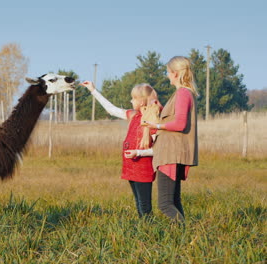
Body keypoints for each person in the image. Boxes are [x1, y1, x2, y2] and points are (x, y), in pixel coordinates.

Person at [81, 81, 161, 218]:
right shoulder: (134, 116)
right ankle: (144, 230)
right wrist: (93, 90)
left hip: (144, 169)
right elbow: (111, 109)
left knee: (145, 205)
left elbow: (158, 150)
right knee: (138, 202)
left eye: (134, 98)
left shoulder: (153, 121)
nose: (131, 100)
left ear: (141, 102)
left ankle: (150, 230)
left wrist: (138, 153)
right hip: (131, 167)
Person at [145, 56, 199, 222]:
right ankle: (183, 238)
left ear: (175, 73)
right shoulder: (183, 94)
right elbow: (175, 118)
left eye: (168, 72)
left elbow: (180, 124)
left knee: (165, 203)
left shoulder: (183, 93)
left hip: (171, 153)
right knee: (174, 201)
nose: (167, 75)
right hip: (174, 152)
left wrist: (156, 126)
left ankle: (183, 234)